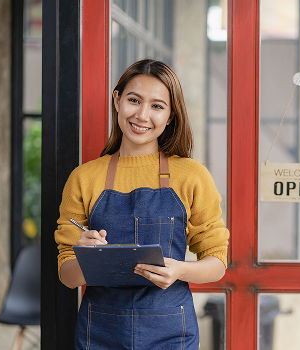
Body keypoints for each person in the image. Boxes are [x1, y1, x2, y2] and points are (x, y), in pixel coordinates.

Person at [54, 58, 229, 350]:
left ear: (171, 116)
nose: (142, 115)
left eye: (158, 106)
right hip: (100, 332)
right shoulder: (84, 178)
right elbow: (67, 276)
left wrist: (179, 270)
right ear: (117, 100)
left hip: (171, 333)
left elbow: (217, 262)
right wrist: (85, 254)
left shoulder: (193, 176)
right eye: (134, 100)